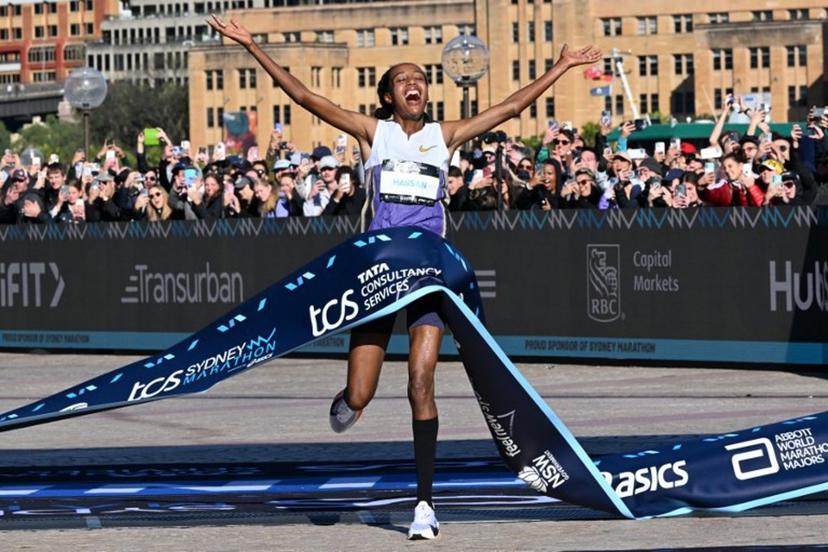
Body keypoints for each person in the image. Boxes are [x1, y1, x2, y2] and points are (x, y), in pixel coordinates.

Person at [209, 14, 600, 540]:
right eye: (402, 79)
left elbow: (510, 108)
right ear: (389, 96)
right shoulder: (375, 134)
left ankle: (423, 505)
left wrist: (559, 68)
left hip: (429, 277)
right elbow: (304, 98)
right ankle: (348, 401)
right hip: (376, 276)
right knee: (361, 393)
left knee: (421, 382)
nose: (413, 84)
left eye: (420, 78)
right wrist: (251, 44)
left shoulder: (446, 136)